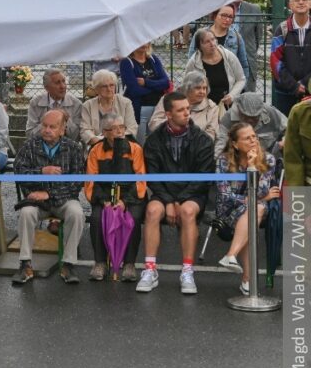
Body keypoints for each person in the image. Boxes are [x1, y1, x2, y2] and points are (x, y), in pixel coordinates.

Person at [137, 92, 215, 295]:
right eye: (181, 110)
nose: (187, 113)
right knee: (153, 211)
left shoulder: (203, 140)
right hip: (164, 193)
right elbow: (153, 176)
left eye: (188, 109)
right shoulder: (154, 140)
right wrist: (169, 200)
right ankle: (150, 270)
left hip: (192, 194)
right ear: (168, 114)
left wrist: (180, 200)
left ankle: (187, 270)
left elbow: (204, 177)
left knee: (188, 212)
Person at [12, 110, 86, 286]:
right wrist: (41, 172)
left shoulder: (74, 148)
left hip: (64, 200)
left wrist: (50, 194)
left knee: (76, 213)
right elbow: (18, 172)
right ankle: (25, 264)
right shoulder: (30, 145)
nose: (47, 130)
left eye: (52, 127)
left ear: (62, 129)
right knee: (26, 213)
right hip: (37, 202)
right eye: (44, 126)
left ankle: (68, 264)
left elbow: (77, 183)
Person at [216, 122, 281, 295]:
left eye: (254, 136)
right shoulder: (223, 161)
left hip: (257, 210)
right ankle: (246, 280)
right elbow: (225, 196)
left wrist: (252, 166)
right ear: (235, 144)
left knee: (256, 210)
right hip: (228, 213)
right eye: (247, 138)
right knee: (254, 210)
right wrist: (251, 199)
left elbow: (263, 190)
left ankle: (231, 255)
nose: (253, 140)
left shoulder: (268, 159)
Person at [84, 114, 147, 282]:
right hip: (104, 196)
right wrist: (104, 200)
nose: (120, 132)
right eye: (115, 129)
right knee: (97, 218)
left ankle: (129, 264)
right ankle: (100, 263)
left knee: (132, 218)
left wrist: (124, 201)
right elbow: (91, 181)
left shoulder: (135, 149)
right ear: (104, 132)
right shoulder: (96, 150)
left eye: (122, 128)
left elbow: (140, 180)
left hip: (131, 197)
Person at [187, 4, 251, 84]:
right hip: (203, 88)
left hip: (229, 90)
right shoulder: (200, 34)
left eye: (230, 17)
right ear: (215, 15)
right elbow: (191, 59)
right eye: (224, 15)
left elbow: (244, 65)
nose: (227, 19)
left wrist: (240, 88)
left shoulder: (236, 37)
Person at [120, 44, 170, 144]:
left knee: (158, 142)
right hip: (139, 110)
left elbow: (166, 82)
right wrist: (156, 87)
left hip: (158, 108)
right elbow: (135, 90)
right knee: (141, 144)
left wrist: (146, 82)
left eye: (145, 41)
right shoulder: (126, 62)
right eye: (138, 41)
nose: (143, 44)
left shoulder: (153, 59)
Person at [184, 28, 246, 108]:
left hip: (228, 106)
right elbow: (186, 86)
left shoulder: (229, 56)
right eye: (207, 42)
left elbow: (241, 79)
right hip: (204, 108)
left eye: (213, 39)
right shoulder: (194, 62)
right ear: (199, 46)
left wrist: (232, 96)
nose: (212, 44)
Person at [148, 72, 220, 140]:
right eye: (198, 88)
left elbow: (211, 133)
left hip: (196, 148)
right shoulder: (168, 99)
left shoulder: (211, 107)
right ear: (187, 88)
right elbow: (154, 124)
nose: (202, 92)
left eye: (204, 88)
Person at [272, 0, 311, 115]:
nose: (301, 2)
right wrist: (294, 86)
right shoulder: (282, 29)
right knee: (284, 129)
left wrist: (305, 83)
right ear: (290, 5)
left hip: (310, 90)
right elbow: (275, 61)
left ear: (310, 4)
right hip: (285, 92)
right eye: (297, 0)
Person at [214, 91, 287, 156]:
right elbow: (221, 144)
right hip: (239, 162)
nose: (250, 120)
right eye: (247, 116)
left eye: (255, 117)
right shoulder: (228, 118)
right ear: (239, 110)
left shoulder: (271, 112)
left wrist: (284, 140)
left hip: (268, 160)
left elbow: (290, 128)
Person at [79, 69, 138, 147]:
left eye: (111, 85)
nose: (109, 89)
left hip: (121, 145)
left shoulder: (125, 103)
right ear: (96, 89)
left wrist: (114, 140)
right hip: (97, 146)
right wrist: (99, 141)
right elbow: (85, 130)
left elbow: (132, 128)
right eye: (104, 86)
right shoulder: (88, 105)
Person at [25, 68, 83, 141]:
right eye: (57, 83)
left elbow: (76, 137)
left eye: (63, 81)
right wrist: (48, 122)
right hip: (41, 147)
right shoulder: (35, 103)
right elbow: (30, 134)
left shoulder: (76, 104)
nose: (63, 86)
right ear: (47, 88)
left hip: (67, 148)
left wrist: (67, 119)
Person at [231, 0, 264, 93]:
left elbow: (258, 35)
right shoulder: (220, 8)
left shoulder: (254, 9)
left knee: (248, 100)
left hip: (247, 60)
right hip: (225, 61)